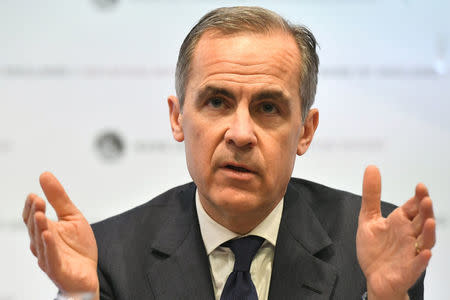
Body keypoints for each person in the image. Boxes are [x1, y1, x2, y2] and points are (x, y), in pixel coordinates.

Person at [22, 6, 436, 300]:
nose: (240, 134)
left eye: (268, 108)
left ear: (305, 131)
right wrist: (78, 296)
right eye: (218, 102)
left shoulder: (374, 249)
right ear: (178, 118)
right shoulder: (109, 255)